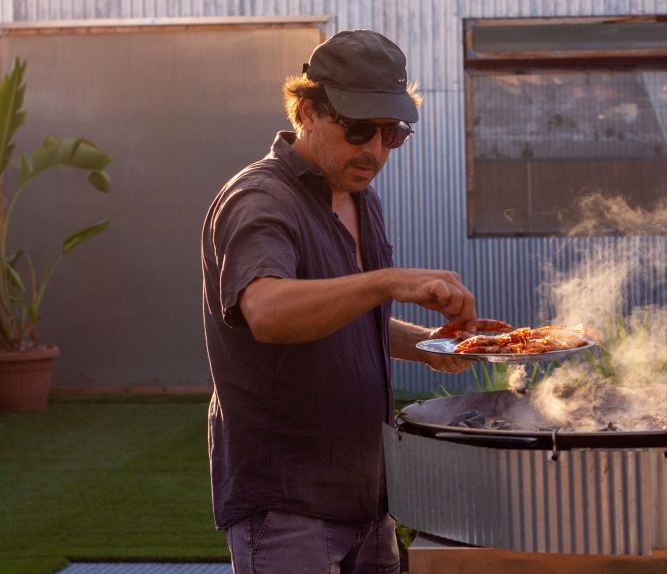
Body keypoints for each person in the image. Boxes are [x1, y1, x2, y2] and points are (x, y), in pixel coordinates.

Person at [201, 29, 483, 574]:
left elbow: (349, 321)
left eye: (391, 133)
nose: (374, 150)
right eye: (357, 129)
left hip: (367, 497)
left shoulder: (360, 196)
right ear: (307, 111)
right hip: (287, 506)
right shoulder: (260, 200)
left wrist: (432, 345)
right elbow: (269, 312)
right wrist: (386, 282)